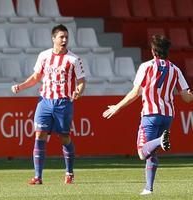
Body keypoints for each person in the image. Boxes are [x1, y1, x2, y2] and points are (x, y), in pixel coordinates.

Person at [102, 34, 193, 195]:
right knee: (152, 152)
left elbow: (135, 92)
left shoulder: (146, 66)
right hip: (167, 115)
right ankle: (148, 188)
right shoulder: (175, 69)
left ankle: (160, 140)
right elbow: (186, 98)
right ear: (167, 51)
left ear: (153, 50)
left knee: (142, 152)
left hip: (150, 114)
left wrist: (117, 107)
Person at [11, 24, 86, 185]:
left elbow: (81, 81)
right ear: (54, 39)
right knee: (39, 135)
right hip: (45, 101)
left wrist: (78, 91)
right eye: (61, 37)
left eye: (66, 37)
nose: (65, 40)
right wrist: (21, 86)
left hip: (63, 102)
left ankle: (69, 172)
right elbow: (36, 76)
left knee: (64, 137)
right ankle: (38, 177)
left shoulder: (74, 59)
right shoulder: (44, 56)